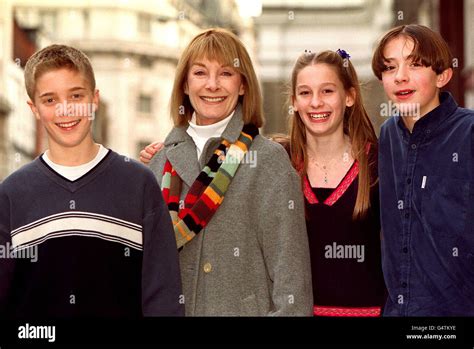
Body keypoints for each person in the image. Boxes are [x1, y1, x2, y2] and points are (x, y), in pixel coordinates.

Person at [0, 44, 183, 317]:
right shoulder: (12, 194)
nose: (65, 110)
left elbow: (164, 296)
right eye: (50, 100)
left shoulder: (139, 184)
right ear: (34, 108)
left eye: (76, 95)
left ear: (94, 99)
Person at [146, 28, 313, 316]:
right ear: (185, 84)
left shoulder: (268, 162)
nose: (212, 85)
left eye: (225, 73)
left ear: (243, 85)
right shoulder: (159, 164)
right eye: (200, 73)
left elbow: (292, 286)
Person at [372, 24, 474, 316]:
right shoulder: (388, 136)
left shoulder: (469, 132)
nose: (400, 76)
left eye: (415, 64)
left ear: (442, 75)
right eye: (390, 68)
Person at [288, 50, 386, 316]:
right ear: (294, 102)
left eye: (328, 91)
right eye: (305, 93)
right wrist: (164, 154)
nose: (316, 102)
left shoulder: (379, 162)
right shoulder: (280, 162)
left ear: (350, 96)